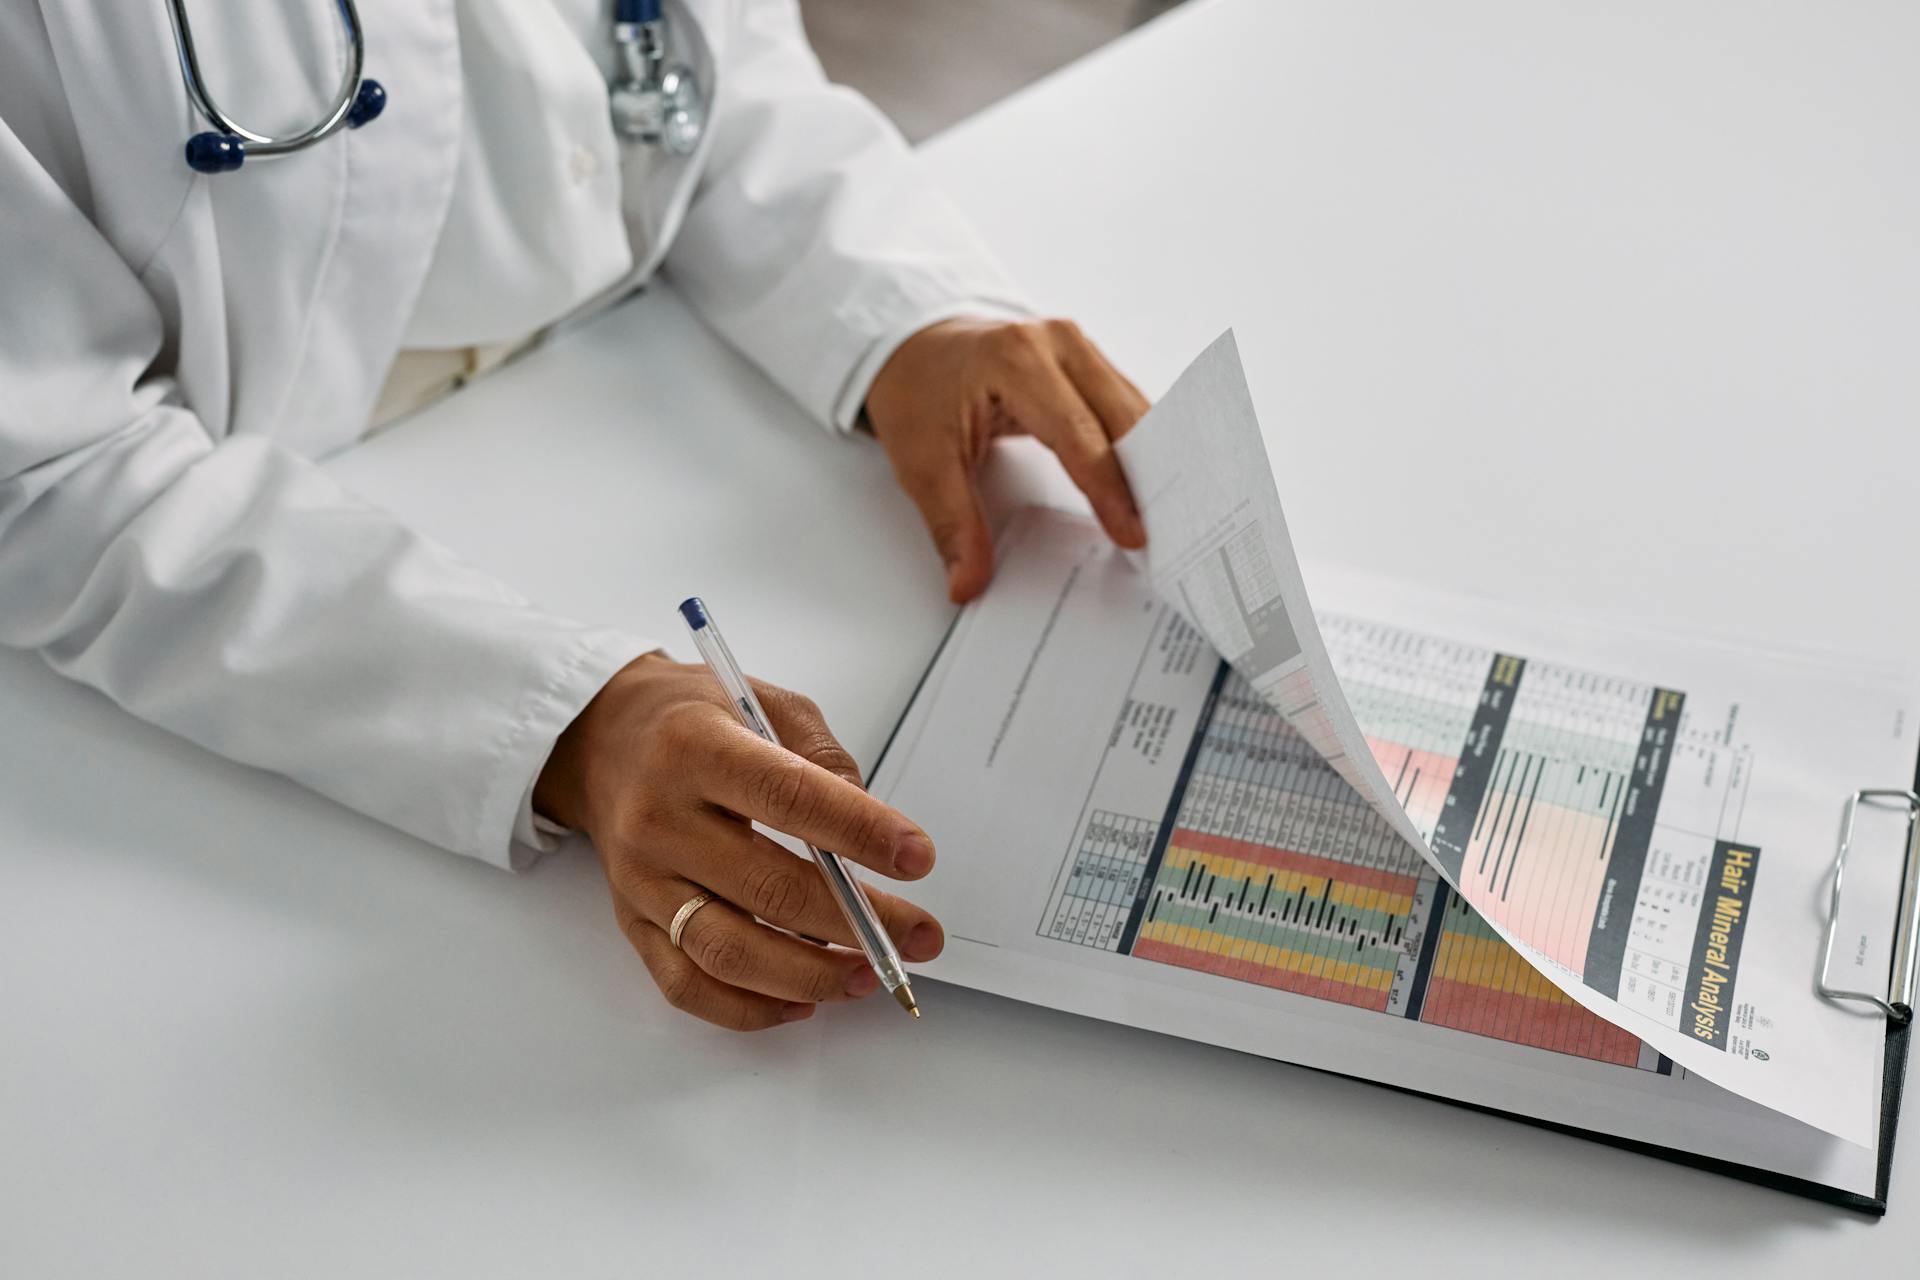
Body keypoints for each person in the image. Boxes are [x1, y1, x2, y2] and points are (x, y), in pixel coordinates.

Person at [0, 1, 1149, 1030]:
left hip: (627, 392)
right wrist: (566, 723)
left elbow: (709, 74)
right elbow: (47, 463)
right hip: (228, 639)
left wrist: (906, 316)